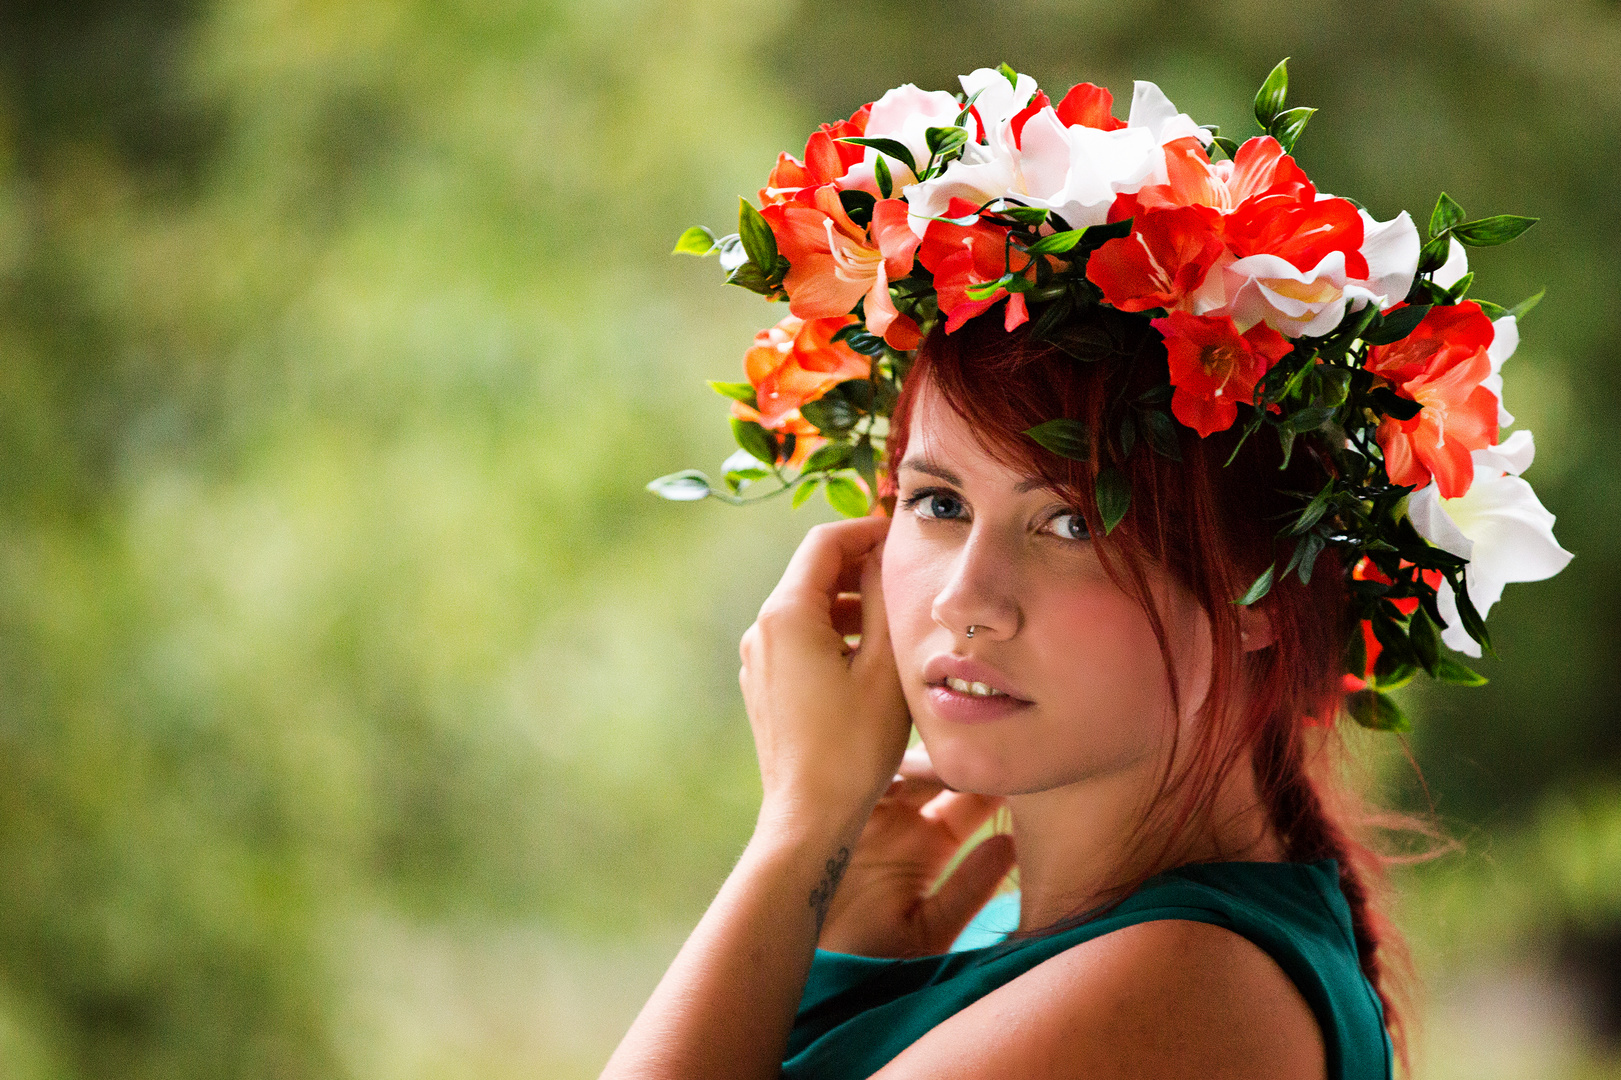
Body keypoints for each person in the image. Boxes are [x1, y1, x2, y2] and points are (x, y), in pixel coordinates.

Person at [625, 62, 1568, 1079]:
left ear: (1257, 586)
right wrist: (844, 958)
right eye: (938, 503)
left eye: (1071, 523)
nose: (960, 601)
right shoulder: (1046, 952)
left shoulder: (1185, 988)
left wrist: (799, 835)